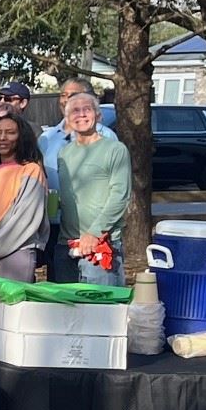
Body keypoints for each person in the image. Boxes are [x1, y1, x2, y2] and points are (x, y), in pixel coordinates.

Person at [55, 90, 130, 286]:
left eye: (87, 110)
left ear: (98, 115)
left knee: (99, 311)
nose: (81, 115)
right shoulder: (64, 153)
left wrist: (94, 233)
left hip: (100, 244)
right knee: (65, 314)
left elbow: (120, 196)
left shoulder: (115, 150)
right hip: (66, 245)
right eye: (75, 111)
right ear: (67, 119)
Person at [39, 78, 114, 271]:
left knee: (91, 288)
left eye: (72, 95)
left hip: (90, 224)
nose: (65, 100)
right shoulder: (47, 137)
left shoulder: (106, 137)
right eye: (62, 95)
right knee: (58, 285)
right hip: (55, 222)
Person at [0, 113, 48, 282]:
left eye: (10, 132)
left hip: (16, 253)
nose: (2, 138)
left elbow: (24, 220)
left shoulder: (31, 170)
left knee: (13, 308)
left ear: (22, 136)